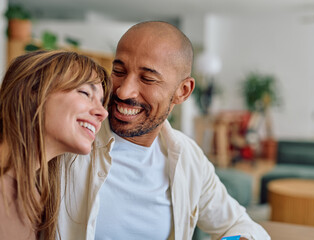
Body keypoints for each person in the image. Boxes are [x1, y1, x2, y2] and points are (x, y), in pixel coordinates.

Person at [58, 21, 270, 240]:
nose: (123, 91)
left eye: (147, 78)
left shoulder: (187, 157)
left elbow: (241, 225)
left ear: (183, 91)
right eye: (119, 71)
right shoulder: (69, 139)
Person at [0, 50, 111, 240]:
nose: (103, 113)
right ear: (32, 93)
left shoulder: (35, 198)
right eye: (85, 93)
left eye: (101, 103)